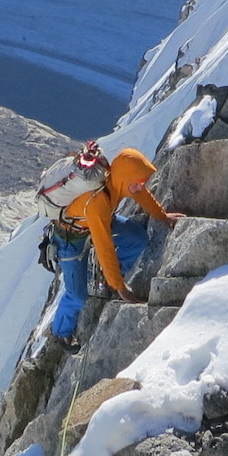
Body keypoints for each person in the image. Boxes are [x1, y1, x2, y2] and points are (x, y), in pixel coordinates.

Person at [45, 139, 181, 351]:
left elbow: (142, 195)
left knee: (138, 239)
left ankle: (109, 275)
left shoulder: (117, 182)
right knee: (77, 295)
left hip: (97, 223)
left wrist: (163, 217)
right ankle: (60, 334)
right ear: (125, 177)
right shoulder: (97, 202)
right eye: (136, 182)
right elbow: (104, 246)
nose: (140, 186)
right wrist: (121, 288)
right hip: (70, 239)